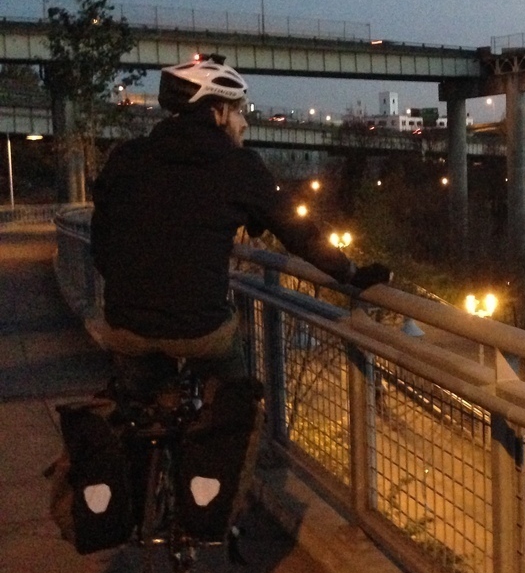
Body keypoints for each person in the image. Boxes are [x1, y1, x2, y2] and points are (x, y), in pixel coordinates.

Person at [90, 53, 392, 398]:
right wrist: (351, 273)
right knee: (234, 411)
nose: (244, 123)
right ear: (217, 112)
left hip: (125, 324)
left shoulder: (127, 157)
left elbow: (101, 243)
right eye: (238, 111)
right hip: (200, 328)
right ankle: (231, 431)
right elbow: (298, 233)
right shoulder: (239, 165)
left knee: (137, 413)